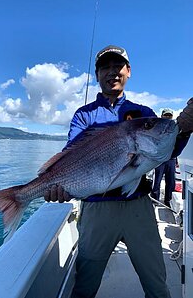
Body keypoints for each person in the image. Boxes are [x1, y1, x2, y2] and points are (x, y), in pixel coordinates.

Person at [44, 45, 192, 298]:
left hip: (138, 207)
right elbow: (71, 155)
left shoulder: (143, 114)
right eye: (105, 67)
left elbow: (166, 149)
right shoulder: (84, 115)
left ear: (128, 71)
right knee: (85, 285)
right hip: (96, 210)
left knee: (156, 282)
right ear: (97, 74)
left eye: (118, 66)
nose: (112, 72)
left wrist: (184, 128)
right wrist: (60, 186)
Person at [151, 109, 176, 207]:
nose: (167, 117)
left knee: (171, 182)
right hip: (159, 159)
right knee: (156, 181)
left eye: (169, 115)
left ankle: (168, 201)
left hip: (172, 159)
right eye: (165, 115)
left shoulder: (175, 128)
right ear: (161, 116)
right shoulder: (157, 128)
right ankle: (155, 201)